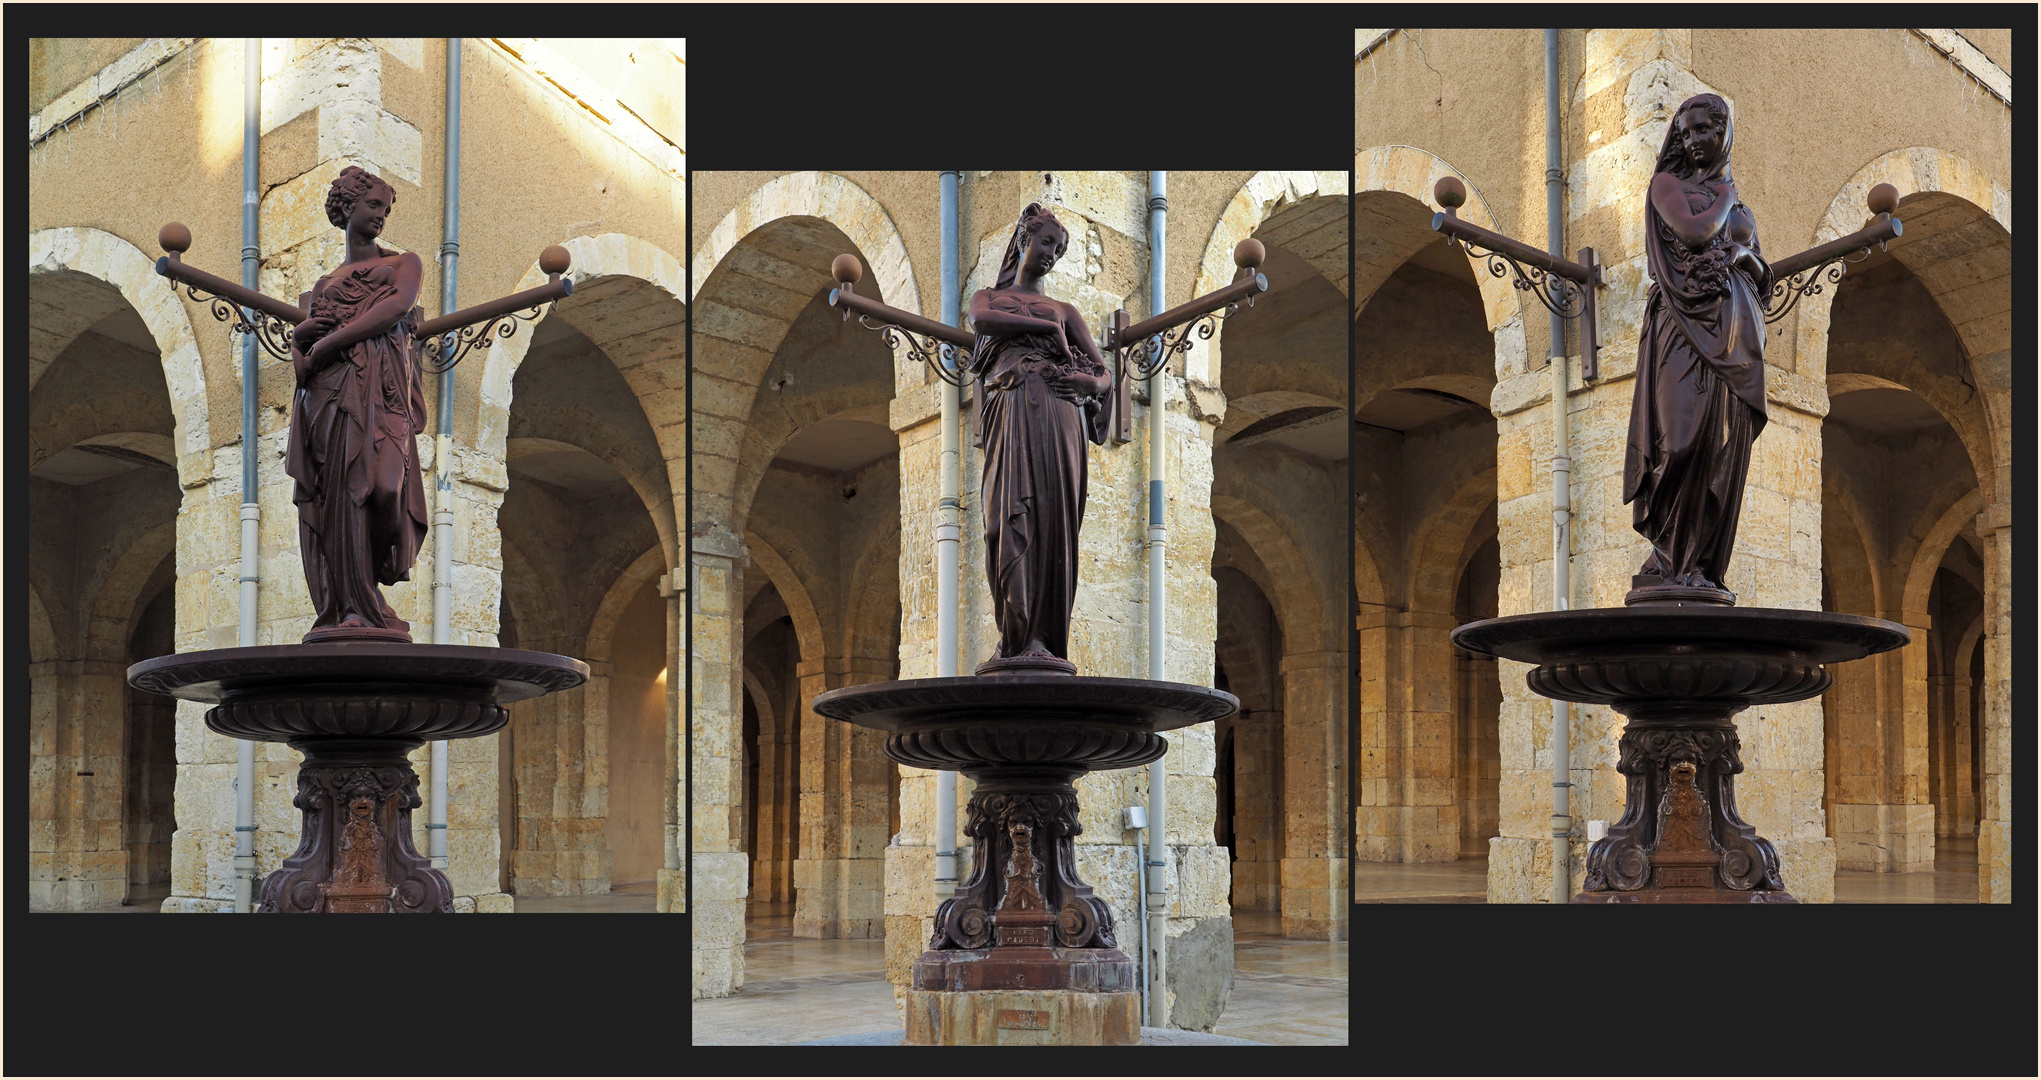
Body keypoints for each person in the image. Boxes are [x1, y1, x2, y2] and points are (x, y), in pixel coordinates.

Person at [1623, 94, 1773, 596]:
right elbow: (1693, 232)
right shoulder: (1670, 185)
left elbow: (1762, 275)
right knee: (1681, 438)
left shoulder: (1741, 205)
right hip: (1681, 328)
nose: (1694, 141)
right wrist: (1726, 196)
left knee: (1723, 448)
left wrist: (1742, 259)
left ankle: (1700, 566)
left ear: (1724, 132)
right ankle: (1667, 555)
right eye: (1686, 133)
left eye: (1704, 129)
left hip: (1737, 336)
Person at [966, 204, 1113, 669]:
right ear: (1022, 240)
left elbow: (1104, 374)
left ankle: (1043, 640)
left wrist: (1091, 384)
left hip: (1059, 413)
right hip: (1010, 409)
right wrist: (1046, 328)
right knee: (1003, 521)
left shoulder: (1067, 310)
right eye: (1045, 242)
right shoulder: (988, 298)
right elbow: (982, 324)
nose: (1051, 254)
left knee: (1054, 521)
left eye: (1059, 248)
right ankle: (1014, 636)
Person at [286, 166, 430, 642]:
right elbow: (303, 352)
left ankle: (367, 591)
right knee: (342, 494)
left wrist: (330, 342)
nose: (381, 217)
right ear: (348, 208)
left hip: (384, 388)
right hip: (328, 396)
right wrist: (302, 339)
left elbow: (396, 308)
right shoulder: (326, 283)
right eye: (373, 206)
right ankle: (353, 604)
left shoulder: (405, 263)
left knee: (387, 485)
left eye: (386, 209)